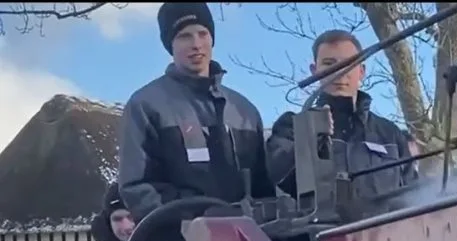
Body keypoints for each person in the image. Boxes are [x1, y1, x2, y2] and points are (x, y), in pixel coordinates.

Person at [118, 2, 275, 223]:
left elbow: (264, 186)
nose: (196, 44)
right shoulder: (145, 106)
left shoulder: (245, 111)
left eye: (203, 33)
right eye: (184, 36)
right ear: (169, 44)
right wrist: (192, 218)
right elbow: (136, 186)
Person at [266, 29, 417, 203]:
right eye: (329, 64)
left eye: (349, 64)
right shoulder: (292, 127)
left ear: (361, 71)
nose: (340, 72)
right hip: (323, 230)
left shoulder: (390, 133)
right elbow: (277, 178)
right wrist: (309, 140)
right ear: (314, 71)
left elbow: (413, 194)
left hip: (388, 229)